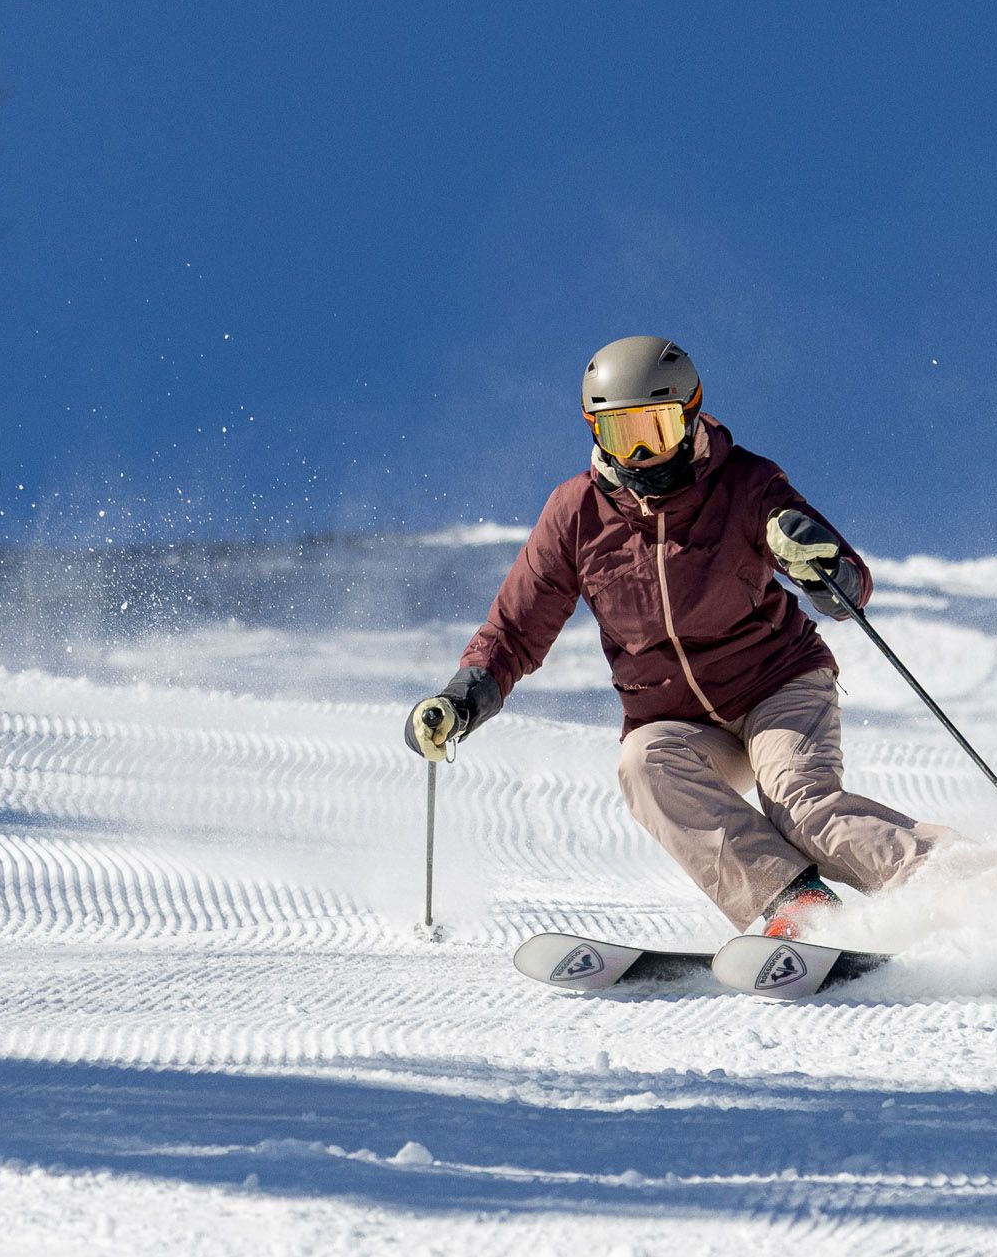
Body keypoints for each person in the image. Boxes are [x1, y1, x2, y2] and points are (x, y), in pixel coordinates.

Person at [403, 335, 953, 941]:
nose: (640, 454)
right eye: (620, 434)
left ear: (690, 415)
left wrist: (822, 568)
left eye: (656, 429)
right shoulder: (576, 515)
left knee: (798, 802)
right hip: (678, 722)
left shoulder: (746, 484)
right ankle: (795, 906)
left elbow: (849, 586)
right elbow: (514, 629)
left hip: (776, 686)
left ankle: (955, 881)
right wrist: (461, 699)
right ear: (594, 432)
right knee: (642, 764)